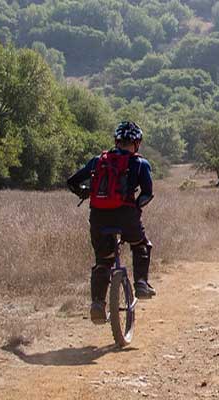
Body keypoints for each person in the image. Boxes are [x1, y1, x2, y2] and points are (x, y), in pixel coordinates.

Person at [67, 121, 156, 324]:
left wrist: (86, 192)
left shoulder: (98, 161)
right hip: (126, 216)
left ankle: (98, 304)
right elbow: (148, 193)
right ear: (137, 143)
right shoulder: (140, 163)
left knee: (103, 260)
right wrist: (135, 207)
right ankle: (141, 283)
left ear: (116, 141)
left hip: (99, 216)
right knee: (140, 244)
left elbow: (72, 181)